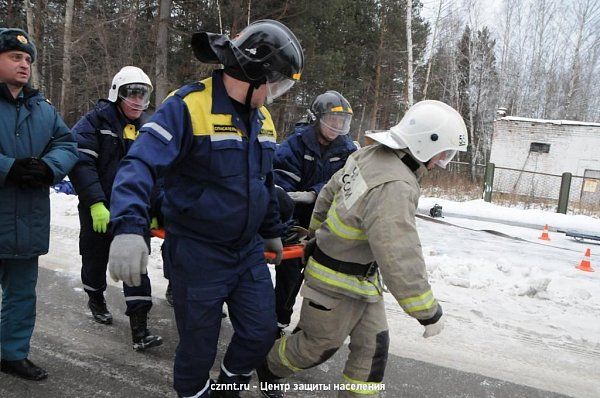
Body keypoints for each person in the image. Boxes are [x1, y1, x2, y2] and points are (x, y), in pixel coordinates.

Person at [106, 20, 304, 398]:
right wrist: (129, 227)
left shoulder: (262, 118)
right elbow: (139, 164)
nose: (275, 95)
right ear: (252, 73)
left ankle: (227, 389)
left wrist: (272, 229)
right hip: (197, 251)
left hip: (245, 251)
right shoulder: (186, 106)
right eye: (274, 83)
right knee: (198, 346)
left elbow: (262, 182)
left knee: (261, 330)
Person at [257, 100, 468, 397]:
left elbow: (328, 193)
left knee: (372, 348)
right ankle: (267, 366)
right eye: (443, 154)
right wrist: (426, 311)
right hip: (335, 282)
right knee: (315, 347)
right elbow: (398, 254)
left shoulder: (370, 155)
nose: (442, 163)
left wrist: (316, 234)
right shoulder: (396, 184)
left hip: (361, 282)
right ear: (424, 144)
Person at [0, 27, 78, 381]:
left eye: (28, 59)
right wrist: (8, 167)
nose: (24, 64)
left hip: (26, 220)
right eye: (15, 57)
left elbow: (68, 143)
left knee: (21, 295)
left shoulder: (42, 108)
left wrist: (48, 167)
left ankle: (13, 354)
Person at [69, 66, 162, 351]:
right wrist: (96, 202)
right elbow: (81, 164)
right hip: (99, 206)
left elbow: (158, 170)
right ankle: (96, 298)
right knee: (95, 258)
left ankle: (140, 328)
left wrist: (156, 206)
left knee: (136, 264)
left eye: (143, 95)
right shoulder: (94, 122)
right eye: (132, 94)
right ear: (116, 94)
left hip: (133, 210)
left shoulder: (150, 128)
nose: (137, 101)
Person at [272, 90, 356, 333]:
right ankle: (278, 320)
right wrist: (292, 197)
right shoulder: (295, 144)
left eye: (342, 122)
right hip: (294, 218)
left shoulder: (347, 150)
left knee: (323, 274)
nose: (337, 127)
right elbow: (281, 181)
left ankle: (315, 325)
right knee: (289, 270)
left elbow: (347, 181)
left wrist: (317, 193)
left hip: (327, 219)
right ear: (316, 118)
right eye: (332, 121)